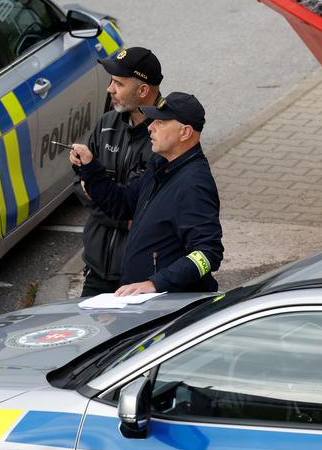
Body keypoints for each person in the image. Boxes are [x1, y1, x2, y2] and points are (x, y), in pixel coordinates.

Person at [70, 92, 223, 295]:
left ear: (185, 132)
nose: (150, 127)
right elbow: (122, 203)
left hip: (165, 307)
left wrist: (156, 283)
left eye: (160, 122)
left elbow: (208, 254)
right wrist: (90, 166)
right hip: (141, 302)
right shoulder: (161, 166)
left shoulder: (194, 184)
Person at [74, 47, 163, 296]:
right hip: (97, 268)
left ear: (143, 90)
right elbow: (79, 186)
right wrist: (124, 220)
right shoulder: (106, 124)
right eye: (111, 81)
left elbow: (147, 210)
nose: (109, 89)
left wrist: (99, 192)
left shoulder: (164, 136)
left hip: (141, 277)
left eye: (118, 83)